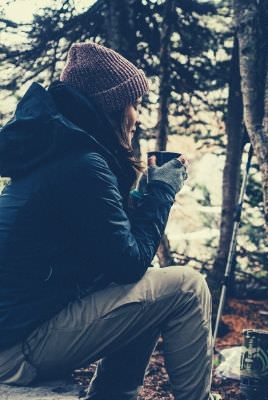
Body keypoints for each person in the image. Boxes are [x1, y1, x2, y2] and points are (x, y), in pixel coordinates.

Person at [0, 42, 219, 400]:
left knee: (148, 291)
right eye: (134, 105)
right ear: (111, 105)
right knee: (186, 287)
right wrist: (161, 194)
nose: (138, 117)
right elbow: (127, 264)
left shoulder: (58, 154)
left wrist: (140, 199)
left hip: (16, 334)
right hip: (16, 350)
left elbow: (108, 251)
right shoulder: (82, 164)